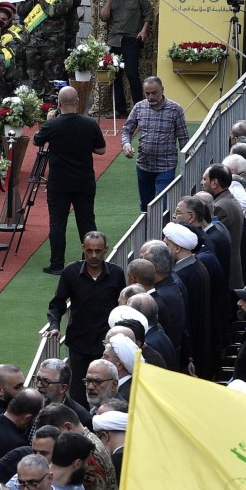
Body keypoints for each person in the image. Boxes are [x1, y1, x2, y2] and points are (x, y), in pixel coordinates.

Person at [45, 232, 126, 405]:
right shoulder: (71, 273)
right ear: (83, 249)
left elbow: (122, 308)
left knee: (105, 395)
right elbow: (57, 304)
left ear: (106, 250)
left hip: (106, 347)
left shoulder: (117, 274)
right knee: (78, 395)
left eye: (98, 251)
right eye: (89, 251)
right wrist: (54, 325)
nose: (94, 255)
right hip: (78, 345)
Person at [34, 86, 106, 274]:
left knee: (57, 223)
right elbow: (101, 150)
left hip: (59, 182)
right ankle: (91, 262)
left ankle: (57, 264)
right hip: (84, 180)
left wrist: (48, 121)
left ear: (59, 103)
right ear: (77, 102)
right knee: (87, 222)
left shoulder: (52, 125)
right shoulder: (89, 123)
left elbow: (37, 140)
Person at [121, 76, 188, 210]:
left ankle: (162, 231)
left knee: (164, 207)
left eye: (154, 93)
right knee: (145, 205)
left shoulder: (175, 109)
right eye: (147, 93)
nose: (150, 96)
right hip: (143, 165)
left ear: (162, 90)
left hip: (166, 166)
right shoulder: (139, 107)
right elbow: (126, 130)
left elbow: (184, 138)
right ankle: (146, 231)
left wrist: (186, 162)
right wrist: (126, 144)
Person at [98, 0, 154, 115]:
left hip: (131, 39)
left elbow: (148, 13)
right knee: (114, 75)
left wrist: (144, 31)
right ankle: (120, 110)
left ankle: (139, 108)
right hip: (114, 39)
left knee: (131, 73)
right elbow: (103, 17)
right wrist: (109, 0)